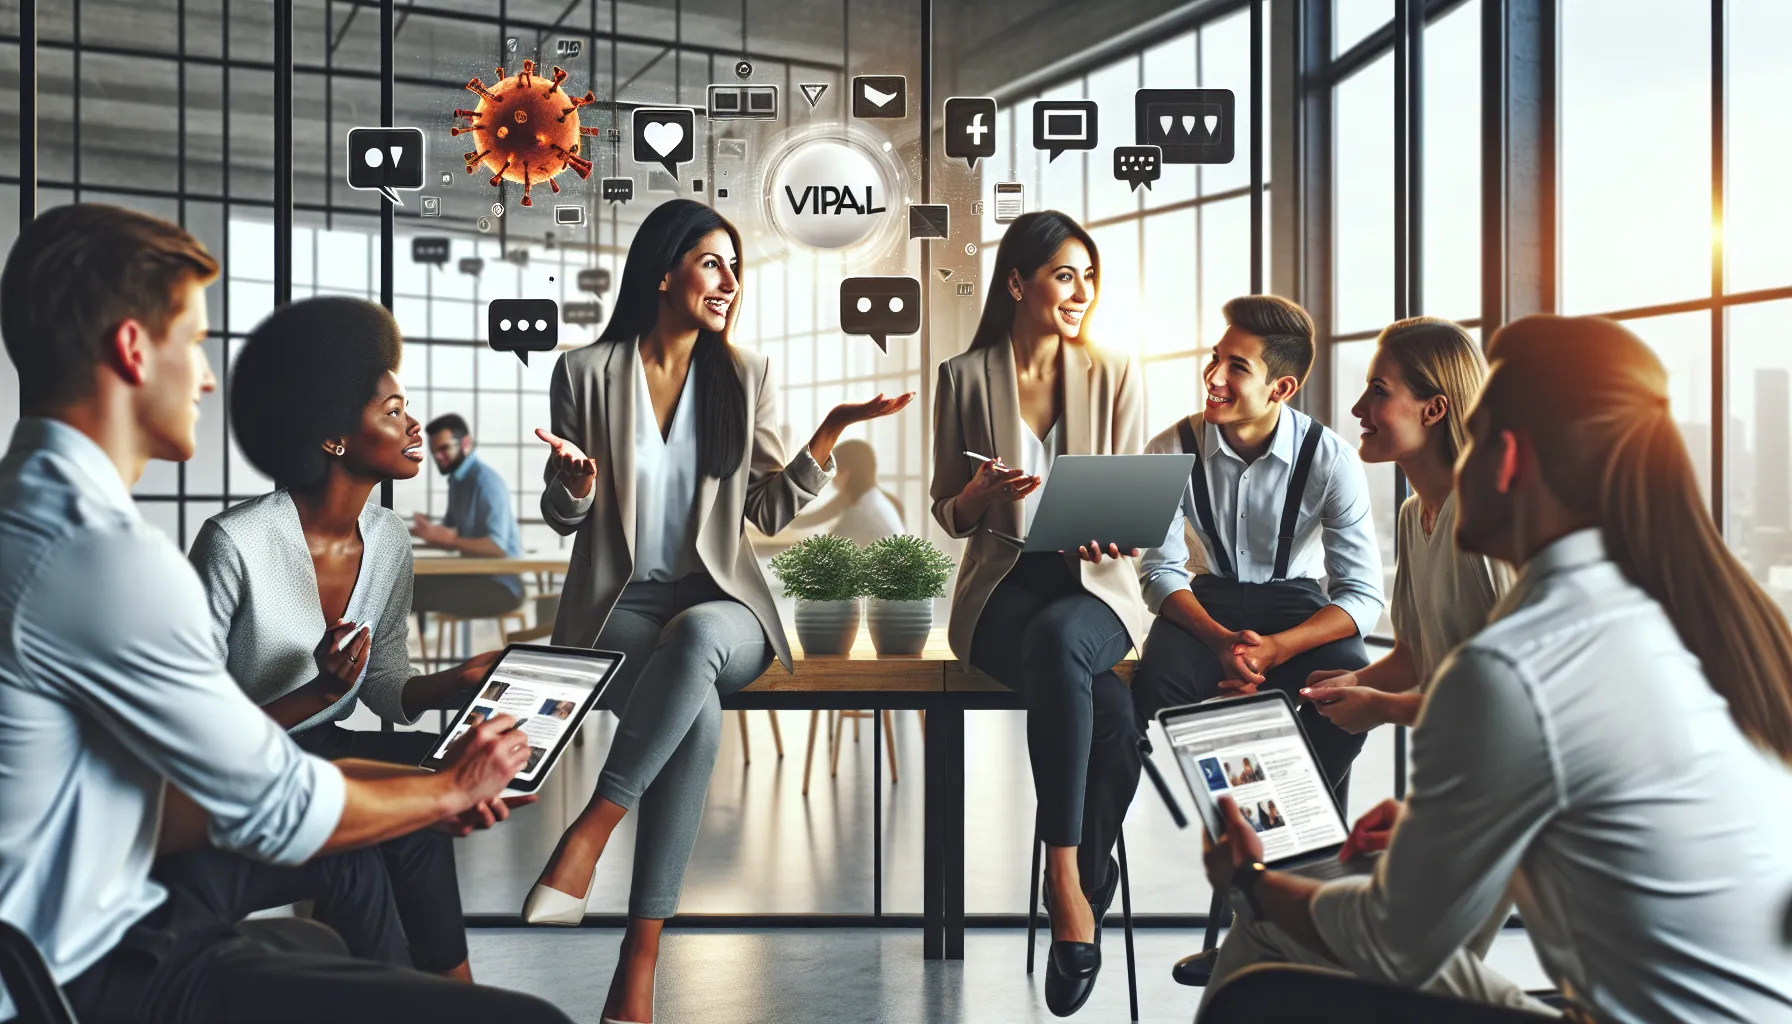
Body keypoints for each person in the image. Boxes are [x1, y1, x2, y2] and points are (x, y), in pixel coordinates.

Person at [0, 203, 571, 1022]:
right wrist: (446, 790)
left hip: (92, 896)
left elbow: (183, 784)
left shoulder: (31, 511)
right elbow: (266, 800)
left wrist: (430, 775)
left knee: (371, 865)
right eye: (193, 343)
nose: (204, 377)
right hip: (87, 963)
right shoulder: (104, 556)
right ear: (132, 349)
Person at [1196, 315, 1792, 1023]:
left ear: (1504, 459)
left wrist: (1251, 880)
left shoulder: (1511, 666)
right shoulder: (1664, 621)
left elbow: (1394, 944)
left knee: (1269, 933)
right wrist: (1433, 815)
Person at [524, 199, 911, 1024]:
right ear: (664, 272)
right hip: (621, 609)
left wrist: (827, 437)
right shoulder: (584, 373)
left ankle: (593, 827)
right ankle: (640, 957)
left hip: (721, 605)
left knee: (699, 634)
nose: (730, 281)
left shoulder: (746, 375)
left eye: (737, 266)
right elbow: (564, 517)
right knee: (693, 720)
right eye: (712, 262)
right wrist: (577, 487)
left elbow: (767, 514)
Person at [183, 296, 515, 981]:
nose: (414, 424)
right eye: (392, 412)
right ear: (335, 437)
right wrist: (321, 691)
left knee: (433, 764)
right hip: (253, 759)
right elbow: (198, 736)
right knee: (373, 837)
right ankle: (410, 998)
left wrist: (460, 679)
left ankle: (454, 992)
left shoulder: (391, 539)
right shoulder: (235, 543)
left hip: (326, 745)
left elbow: (389, 687)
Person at [929, 210, 1146, 1017]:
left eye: (1090, 276)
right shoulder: (964, 376)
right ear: (1018, 282)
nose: (1081, 291)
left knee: (1072, 649)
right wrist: (977, 496)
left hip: (1094, 587)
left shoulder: (1117, 370)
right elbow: (946, 514)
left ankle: (1069, 884)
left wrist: (1107, 533)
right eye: (1064, 274)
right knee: (1114, 716)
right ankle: (1083, 874)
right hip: (1002, 591)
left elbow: (1130, 502)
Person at [1301, 317, 1512, 734]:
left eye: (1378, 391)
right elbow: (1412, 657)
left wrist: (1385, 708)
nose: (1358, 408)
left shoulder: (1492, 513)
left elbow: (1520, 688)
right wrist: (1353, 683)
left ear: (1433, 409)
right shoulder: (1412, 516)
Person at [409, 412, 527, 617]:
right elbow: (451, 533)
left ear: (465, 444)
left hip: (502, 587)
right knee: (404, 586)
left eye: (444, 448)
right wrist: (429, 533)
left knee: (407, 593)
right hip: (476, 576)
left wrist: (450, 540)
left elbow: (497, 547)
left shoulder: (485, 481)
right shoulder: (458, 481)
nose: (438, 457)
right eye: (434, 451)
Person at [783, 438, 906, 545]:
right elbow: (821, 516)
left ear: (845, 474)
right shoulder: (876, 499)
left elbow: (826, 554)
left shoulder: (859, 512)